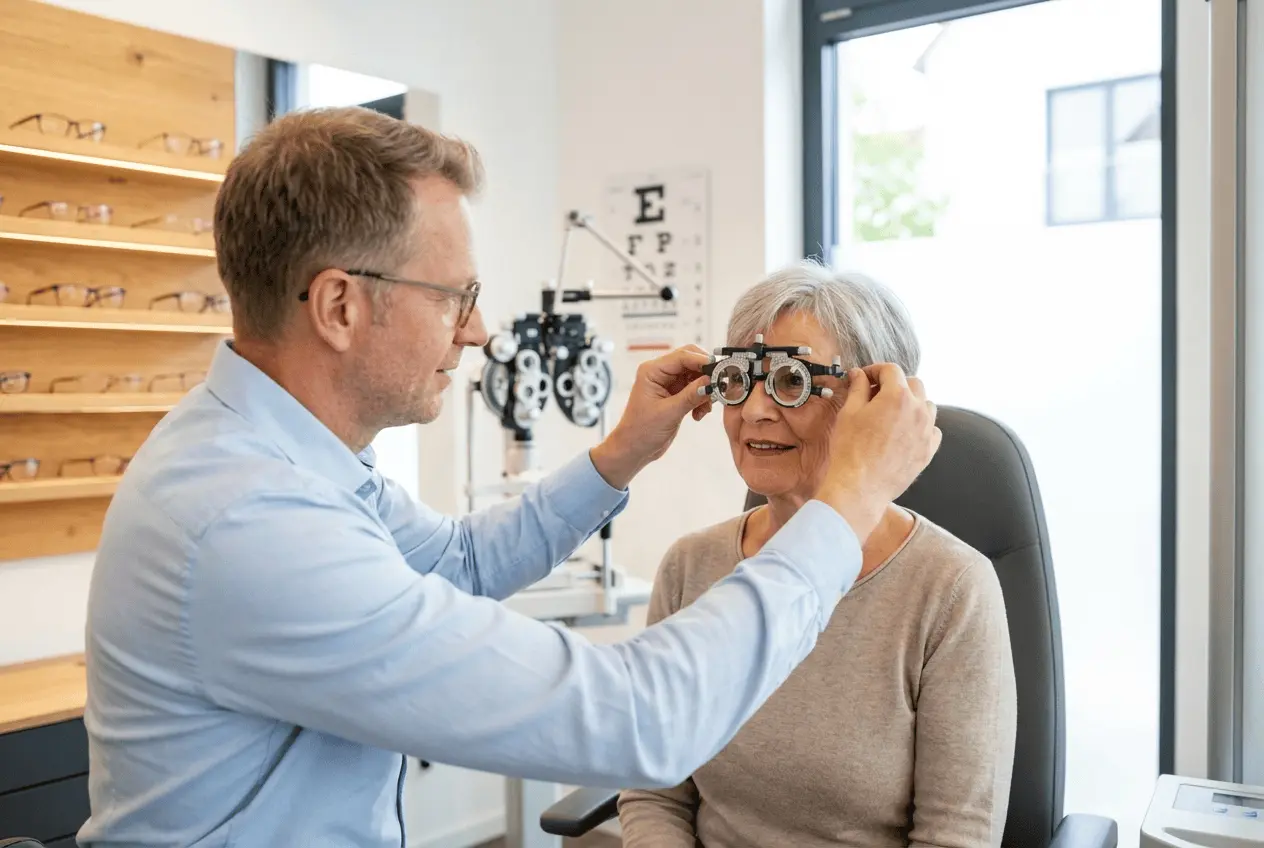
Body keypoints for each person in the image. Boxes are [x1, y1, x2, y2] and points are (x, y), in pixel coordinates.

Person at [78, 107, 940, 848]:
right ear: (340, 306)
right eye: (455, 295)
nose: (479, 331)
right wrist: (848, 503)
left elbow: (456, 563)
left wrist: (619, 456)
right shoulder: (250, 520)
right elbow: (644, 719)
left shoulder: (295, 458)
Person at [618, 263, 1018, 848]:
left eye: (791, 381)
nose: (755, 410)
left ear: (877, 403)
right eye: (738, 379)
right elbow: (654, 789)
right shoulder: (691, 566)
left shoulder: (951, 589)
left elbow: (956, 836)